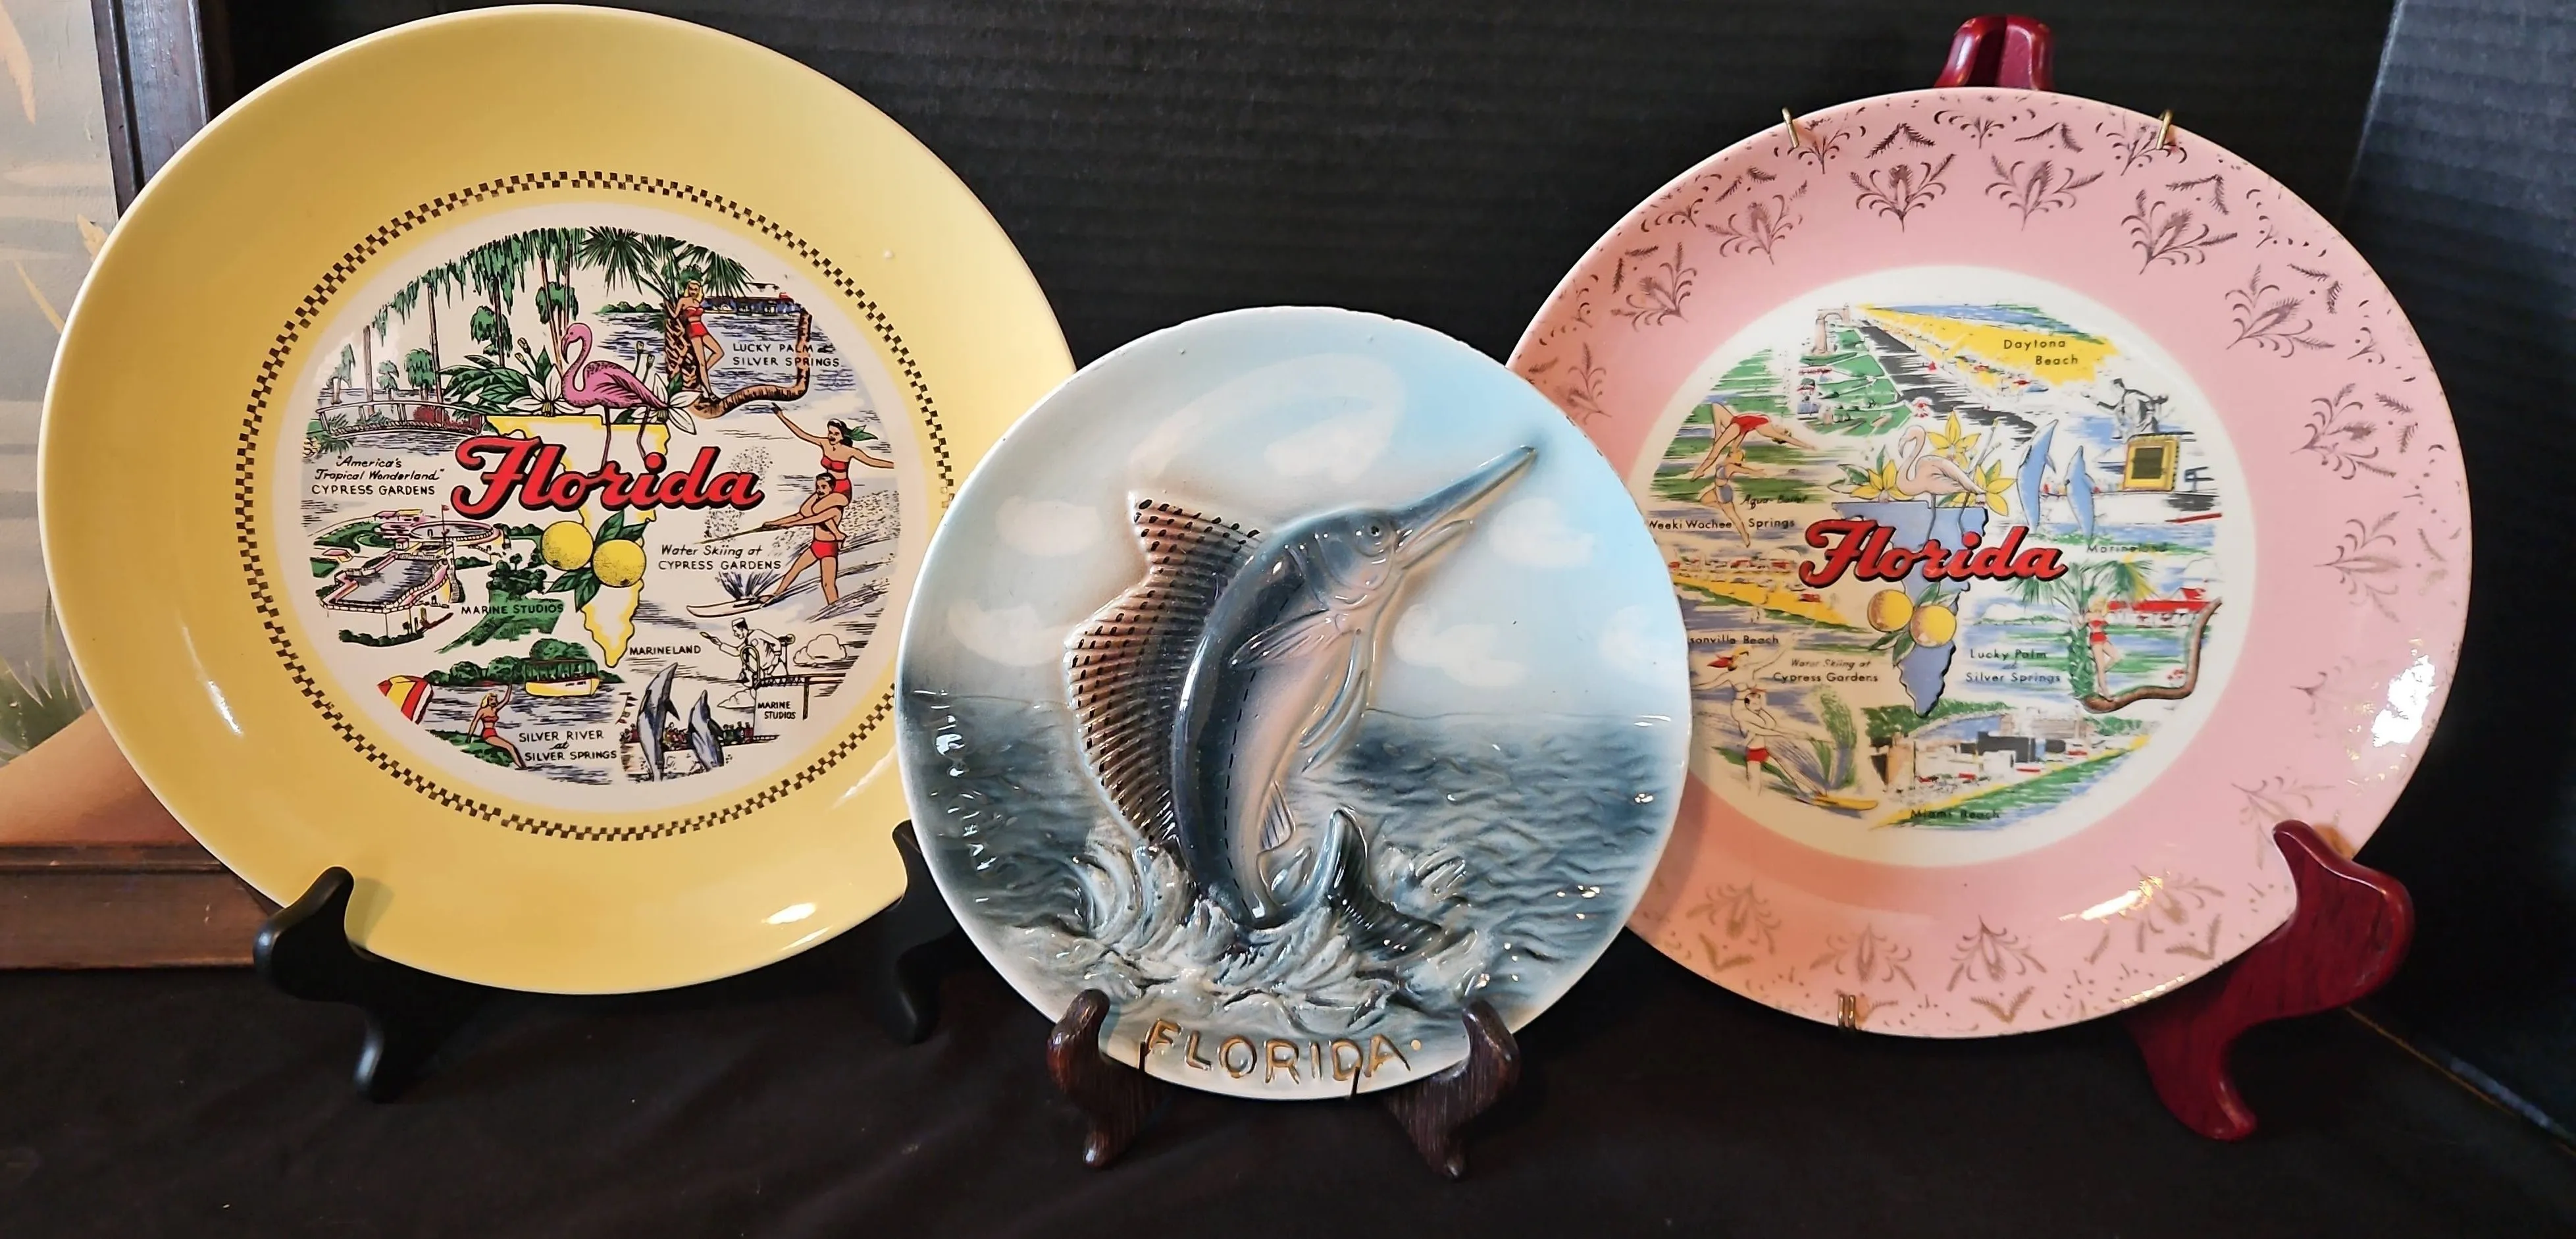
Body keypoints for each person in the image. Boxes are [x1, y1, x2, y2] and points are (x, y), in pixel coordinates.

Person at [760, 474, 853, 606]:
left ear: (832, 488)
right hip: (816, 545)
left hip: (829, 548)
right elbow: (800, 515)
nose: (819, 490)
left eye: (824, 487)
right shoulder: (818, 505)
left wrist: (792, 524)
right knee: (795, 569)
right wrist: (774, 523)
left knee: (827, 584)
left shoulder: (835, 510)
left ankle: (835, 607)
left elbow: (815, 519)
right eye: (817, 487)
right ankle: (775, 594)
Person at [772, 408, 892, 494]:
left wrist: (897, 465)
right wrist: (781, 416)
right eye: (830, 433)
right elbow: (802, 434)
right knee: (806, 510)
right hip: (826, 486)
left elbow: (872, 462)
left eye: (836, 434)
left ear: (843, 436)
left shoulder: (850, 451)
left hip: (842, 487)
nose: (832, 436)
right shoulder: (824, 443)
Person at [676, 281, 726, 388]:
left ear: (699, 291)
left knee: (719, 352)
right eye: (691, 289)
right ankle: (709, 392)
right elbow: (675, 316)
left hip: (702, 328)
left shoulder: (698, 301)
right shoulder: (683, 301)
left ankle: (700, 373)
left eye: (696, 289)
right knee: (701, 363)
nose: (693, 292)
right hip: (692, 330)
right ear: (688, 289)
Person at [473, 690, 523, 769]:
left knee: (511, 747)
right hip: (487, 734)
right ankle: (521, 766)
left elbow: (506, 700)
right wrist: (469, 736)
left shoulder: (494, 710)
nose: (494, 701)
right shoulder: (482, 711)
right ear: (487, 700)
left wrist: (510, 688)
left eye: (495, 700)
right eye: (491, 700)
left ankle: (521, 765)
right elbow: (475, 722)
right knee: (510, 747)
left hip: (493, 733)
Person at [2085, 595, 2119, 689]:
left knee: (2116, 657)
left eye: (2103, 605)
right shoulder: (2089, 615)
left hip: (2103, 638)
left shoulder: (2102, 615)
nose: (2101, 606)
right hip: (2095, 639)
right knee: (2101, 667)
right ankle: (2103, 690)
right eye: (2100, 604)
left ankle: (2101, 671)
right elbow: (2081, 625)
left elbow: (2103, 628)